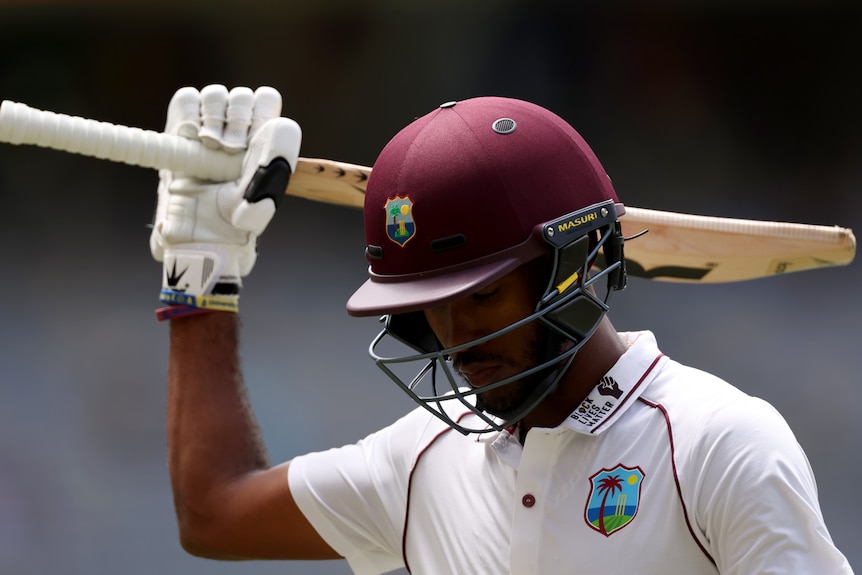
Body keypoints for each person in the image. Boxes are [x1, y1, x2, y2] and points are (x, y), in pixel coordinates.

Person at [150, 84, 853, 574]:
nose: (455, 335)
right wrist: (200, 276)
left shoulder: (717, 444)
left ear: (575, 262)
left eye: (482, 295)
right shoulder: (423, 460)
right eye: (429, 304)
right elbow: (213, 513)